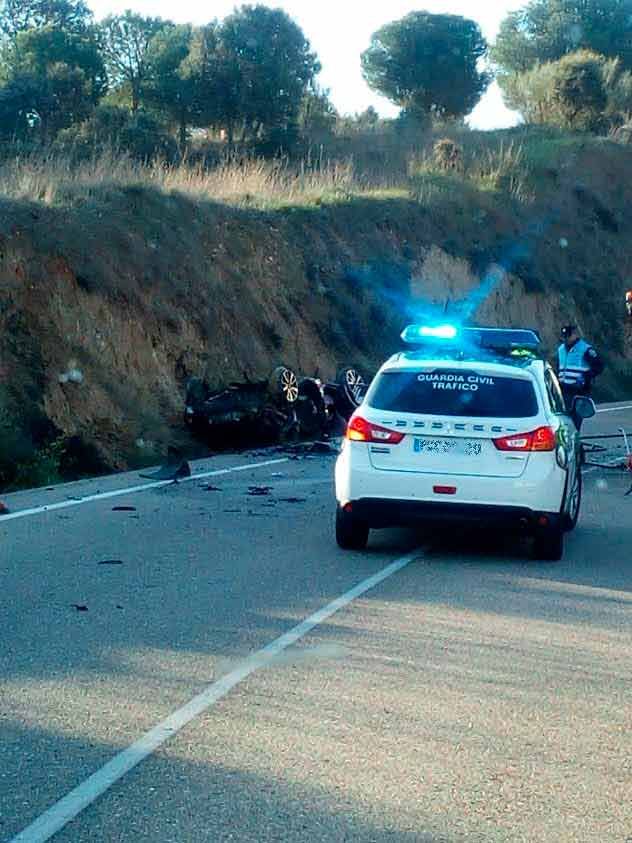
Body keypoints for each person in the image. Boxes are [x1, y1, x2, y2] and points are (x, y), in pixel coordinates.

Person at [556, 324, 604, 429]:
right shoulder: (560, 349)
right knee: (563, 419)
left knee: (575, 421)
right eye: (564, 336)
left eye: (568, 336)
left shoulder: (585, 349)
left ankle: (575, 440)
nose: (566, 339)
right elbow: (558, 367)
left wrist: (586, 376)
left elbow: (599, 366)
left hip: (579, 390)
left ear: (574, 335)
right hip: (563, 389)